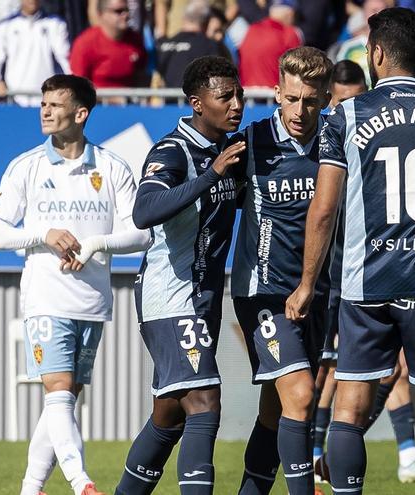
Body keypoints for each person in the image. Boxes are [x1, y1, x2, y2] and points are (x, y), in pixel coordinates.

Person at [287, 8, 415, 495]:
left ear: (375, 52)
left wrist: (308, 283)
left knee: (349, 409)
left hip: (365, 283)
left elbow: (324, 209)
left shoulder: (345, 116)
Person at [0, 74, 152, 495]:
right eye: (43, 103)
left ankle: (30, 488)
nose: (45, 111)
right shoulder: (26, 166)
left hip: (92, 301)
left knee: (62, 401)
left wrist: (96, 243)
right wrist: (43, 233)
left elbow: (140, 234)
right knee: (59, 392)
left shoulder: (111, 167)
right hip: (45, 298)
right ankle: (82, 484)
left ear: (80, 113)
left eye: (55, 104)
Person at [313, 59, 415, 486]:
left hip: (378, 269)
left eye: (358, 100)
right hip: (339, 277)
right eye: (344, 101)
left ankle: (405, 452)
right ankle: (315, 454)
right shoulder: (327, 137)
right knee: (331, 372)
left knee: (396, 368)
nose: (355, 110)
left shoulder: (371, 132)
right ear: (331, 100)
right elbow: (319, 212)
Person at [115, 55, 245, 495]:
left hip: (202, 298)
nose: (236, 104)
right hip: (170, 295)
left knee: (169, 413)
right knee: (205, 402)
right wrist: (211, 175)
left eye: (239, 93)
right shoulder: (173, 151)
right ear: (196, 103)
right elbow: (144, 211)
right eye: (224, 96)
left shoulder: (228, 151)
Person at [230, 46, 333, 495]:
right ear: (277, 93)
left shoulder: (336, 143)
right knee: (303, 396)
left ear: (326, 98)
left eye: (310, 101)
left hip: (316, 294)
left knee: (276, 413)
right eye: (292, 98)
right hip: (264, 292)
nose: (300, 110)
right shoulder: (251, 142)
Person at [0, 0, 71, 106]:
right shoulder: (4, 27)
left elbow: (65, 60)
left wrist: (72, 84)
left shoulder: (56, 24)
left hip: (48, 102)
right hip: (14, 101)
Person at [69, 0, 147, 89]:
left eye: (127, 10)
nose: (125, 15)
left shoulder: (135, 40)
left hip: (131, 101)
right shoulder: (85, 43)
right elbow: (77, 88)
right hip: (97, 102)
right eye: (119, 11)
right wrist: (111, 99)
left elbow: (142, 76)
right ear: (101, 14)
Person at [154, 0, 229, 88]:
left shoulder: (164, 45)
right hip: (194, 100)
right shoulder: (209, 46)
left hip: (170, 100)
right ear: (206, 22)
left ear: (184, 18)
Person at [237, 0, 302, 87]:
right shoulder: (289, 33)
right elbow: (297, 71)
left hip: (247, 96)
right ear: (291, 13)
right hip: (275, 97)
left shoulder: (250, 31)